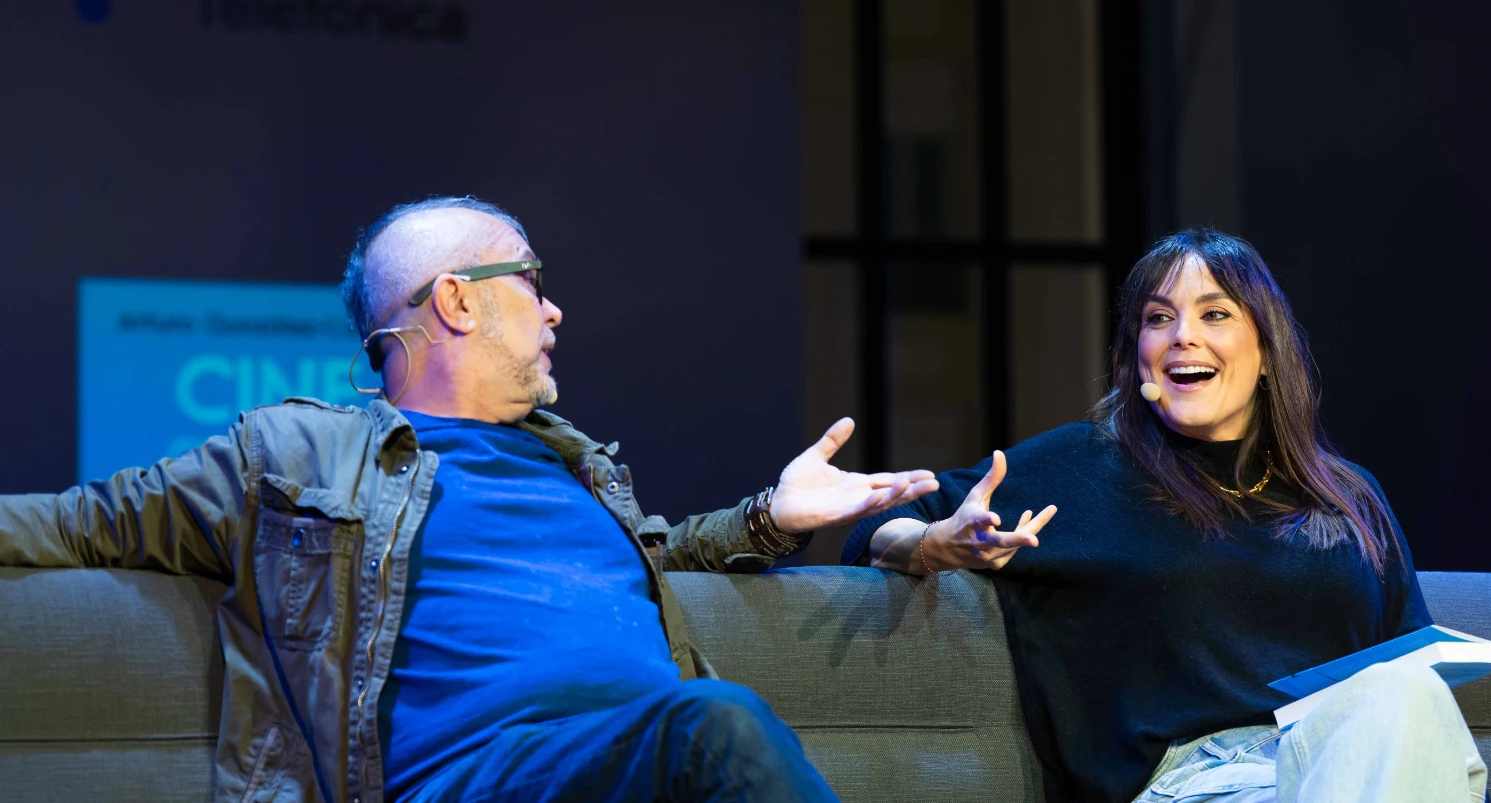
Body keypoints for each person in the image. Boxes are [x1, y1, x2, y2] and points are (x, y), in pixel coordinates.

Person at [0, 196, 940, 803]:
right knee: (718, 725)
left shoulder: (576, 465)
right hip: (476, 782)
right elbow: (74, 523)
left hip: (636, 775)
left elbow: (661, 556)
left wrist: (775, 513)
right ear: (455, 301)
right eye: (531, 280)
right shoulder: (295, 456)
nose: (555, 308)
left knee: (707, 733)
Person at [845, 228, 1487, 803]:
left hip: (1343, 766)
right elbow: (876, 528)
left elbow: (1412, 681)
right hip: (1192, 782)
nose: (1184, 335)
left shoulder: (1346, 497)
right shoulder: (1087, 464)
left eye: (1215, 313)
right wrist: (936, 544)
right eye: (1159, 318)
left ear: (1266, 349)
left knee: (1404, 696)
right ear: (1140, 355)